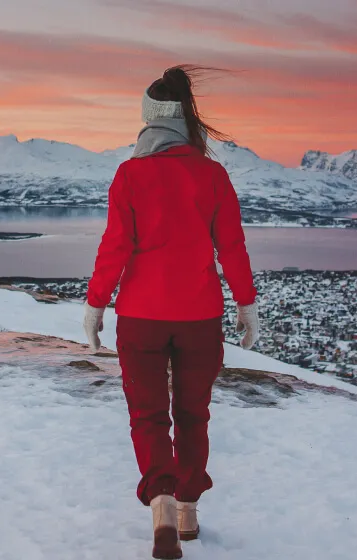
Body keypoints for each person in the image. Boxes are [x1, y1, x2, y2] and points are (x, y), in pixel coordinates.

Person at [83, 65, 261, 560]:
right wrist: (246, 305)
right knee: (192, 414)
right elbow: (233, 248)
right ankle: (187, 514)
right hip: (199, 318)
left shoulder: (130, 174)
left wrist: (96, 305)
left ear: (148, 120)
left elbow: (115, 247)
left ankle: (160, 505)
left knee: (148, 415)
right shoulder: (212, 175)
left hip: (140, 317)